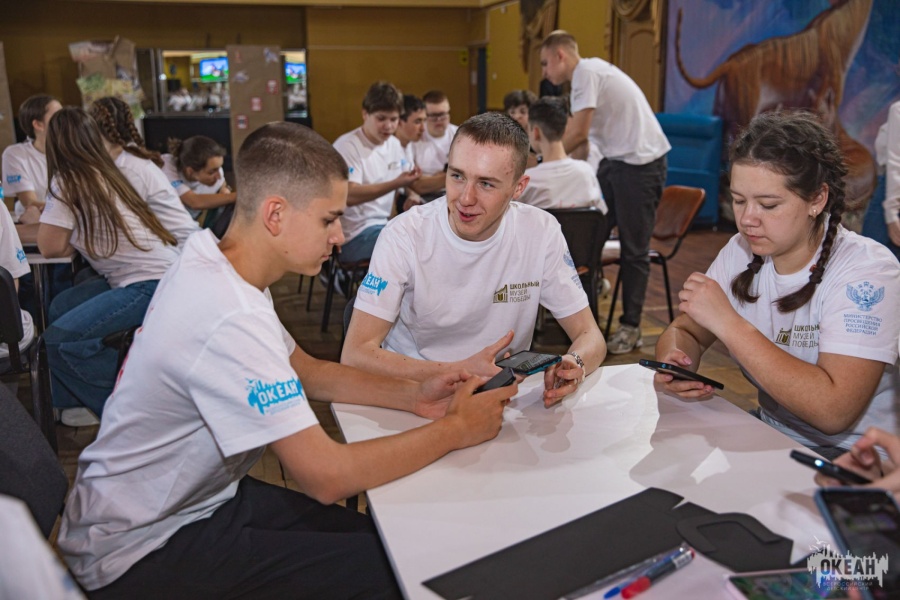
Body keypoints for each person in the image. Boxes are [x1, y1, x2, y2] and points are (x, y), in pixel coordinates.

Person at [57, 121, 514, 598]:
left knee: (388, 545)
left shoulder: (217, 263)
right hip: (138, 549)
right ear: (275, 214)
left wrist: (416, 395)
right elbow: (326, 476)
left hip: (193, 504)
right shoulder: (227, 312)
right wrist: (455, 429)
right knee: (398, 572)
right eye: (328, 219)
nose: (340, 236)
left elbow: (307, 370)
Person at [654, 111, 900, 458]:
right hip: (772, 431)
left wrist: (729, 324)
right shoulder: (740, 250)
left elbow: (833, 412)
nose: (747, 219)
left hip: (858, 455)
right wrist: (676, 362)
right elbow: (686, 331)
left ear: (817, 199)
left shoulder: (868, 271)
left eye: (768, 205)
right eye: (738, 200)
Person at [342, 112, 607, 408]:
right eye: (457, 176)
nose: (465, 198)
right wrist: (462, 371)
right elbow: (355, 354)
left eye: (486, 184)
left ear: (518, 188)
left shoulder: (541, 231)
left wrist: (575, 362)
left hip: (501, 399)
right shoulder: (404, 235)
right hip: (414, 396)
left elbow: (590, 335)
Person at [38, 107, 180, 424]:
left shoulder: (68, 179)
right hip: (166, 277)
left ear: (54, 143)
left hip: (150, 286)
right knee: (62, 305)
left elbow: (50, 247)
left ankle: (131, 412)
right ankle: (73, 403)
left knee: (56, 342)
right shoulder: (106, 172)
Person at [541, 30, 671, 354]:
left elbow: (577, 133)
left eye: (545, 63)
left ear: (560, 55)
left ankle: (631, 327)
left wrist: (541, 162)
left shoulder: (586, 71)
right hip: (616, 162)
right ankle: (595, 287)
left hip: (640, 165)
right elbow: (582, 144)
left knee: (634, 249)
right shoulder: (585, 78)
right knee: (589, 233)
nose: (544, 72)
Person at [90, 97, 200, 248]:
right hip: (180, 242)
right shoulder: (128, 158)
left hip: (183, 247)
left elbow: (123, 220)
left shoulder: (127, 167)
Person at [333, 81, 420, 263]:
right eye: (381, 119)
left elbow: (405, 180)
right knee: (412, 246)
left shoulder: (394, 144)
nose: (388, 126)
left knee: (428, 235)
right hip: (354, 236)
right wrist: (396, 183)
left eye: (393, 119)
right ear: (365, 114)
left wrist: (411, 194)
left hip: (384, 227)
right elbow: (349, 195)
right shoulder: (348, 146)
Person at [517, 96, 607, 212]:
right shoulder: (587, 172)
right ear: (564, 130)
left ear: (536, 132)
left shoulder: (528, 181)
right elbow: (600, 214)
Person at [2, 94, 62, 224]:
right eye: (57, 116)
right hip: (33, 223)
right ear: (38, 124)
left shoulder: (72, 151)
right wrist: (69, 210)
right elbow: (30, 202)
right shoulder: (15, 154)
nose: (65, 121)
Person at [161, 135, 236, 220]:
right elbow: (194, 202)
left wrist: (224, 188)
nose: (218, 176)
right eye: (211, 172)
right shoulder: (167, 167)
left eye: (219, 167)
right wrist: (236, 197)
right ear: (190, 171)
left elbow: (222, 182)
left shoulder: (216, 171)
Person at [393, 94, 445, 214]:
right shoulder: (390, 148)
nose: (423, 128)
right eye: (417, 122)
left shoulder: (408, 145)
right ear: (400, 122)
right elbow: (416, 185)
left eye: (424, 121)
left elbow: (411, 182)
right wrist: (453, 177)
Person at [862, 100, 900, 261]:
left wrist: (891, 214)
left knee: (870, 260)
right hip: (892, 190)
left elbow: (896, 163)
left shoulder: (898, 109)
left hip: (892, 193)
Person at [412, 89, 459, 200]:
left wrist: (431, 179)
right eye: (433, 116)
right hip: (425, 197)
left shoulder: (460, 135)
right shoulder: (415, 137)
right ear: (424, 115)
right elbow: (417, 185)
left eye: (442, 115)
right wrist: (453, 175)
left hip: (454, 193)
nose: (438, 120)